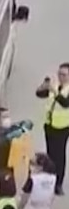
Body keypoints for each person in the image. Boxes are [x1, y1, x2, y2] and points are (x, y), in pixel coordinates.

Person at [36, 63, 69, 195]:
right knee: (50, 153)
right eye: (59, 73)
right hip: (49, 124)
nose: (61, 77)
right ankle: (49, 179)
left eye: (64, 75)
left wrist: (54, 91)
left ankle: (58, 183)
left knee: (59, 155)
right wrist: (43, 86)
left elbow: (65, 103)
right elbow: (39, 94)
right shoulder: (55, 85)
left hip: (63, 127)